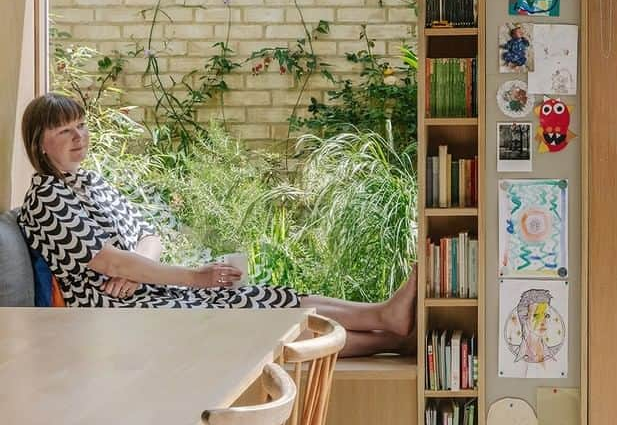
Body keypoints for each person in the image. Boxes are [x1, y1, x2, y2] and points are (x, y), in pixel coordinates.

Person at [18, 93, 416, 359]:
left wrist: (136, 267)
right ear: (40, 143)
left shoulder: (91, 182)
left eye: (82, 126)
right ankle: (389, 335)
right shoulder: (46, 198)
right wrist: (192, 276)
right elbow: (111, 263)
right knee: (248, 312)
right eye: (64, 131)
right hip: (115, 316)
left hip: (143, 296)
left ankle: (383, 318)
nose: (79, 137)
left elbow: (149, 236)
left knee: (263, 297)